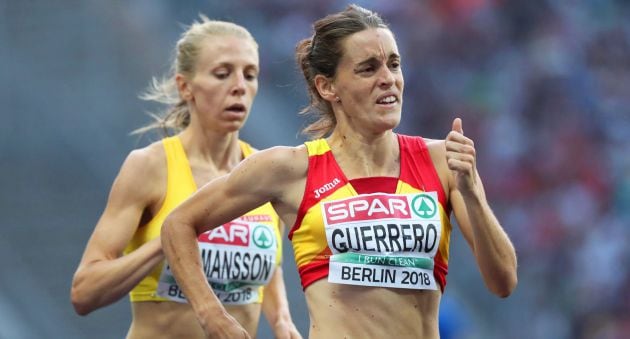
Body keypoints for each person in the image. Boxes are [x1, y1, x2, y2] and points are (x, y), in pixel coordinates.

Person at [161, 5, 518, 339]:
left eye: (394, 64)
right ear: (327, 86)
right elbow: (178, 225)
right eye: (368, 68)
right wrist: (211, 313)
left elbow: (503, 282)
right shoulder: (290, 169)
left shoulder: (442, 160)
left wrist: (471, 191)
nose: (388, 79)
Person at [70, 16, 301, 339]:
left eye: (250, 75)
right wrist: (170, 241)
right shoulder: (150, 167)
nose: (239, 86)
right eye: (222, 74)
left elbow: (268, 265)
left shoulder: (261, 173)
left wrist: (281, 320)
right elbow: (84, 292)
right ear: (185, 86)